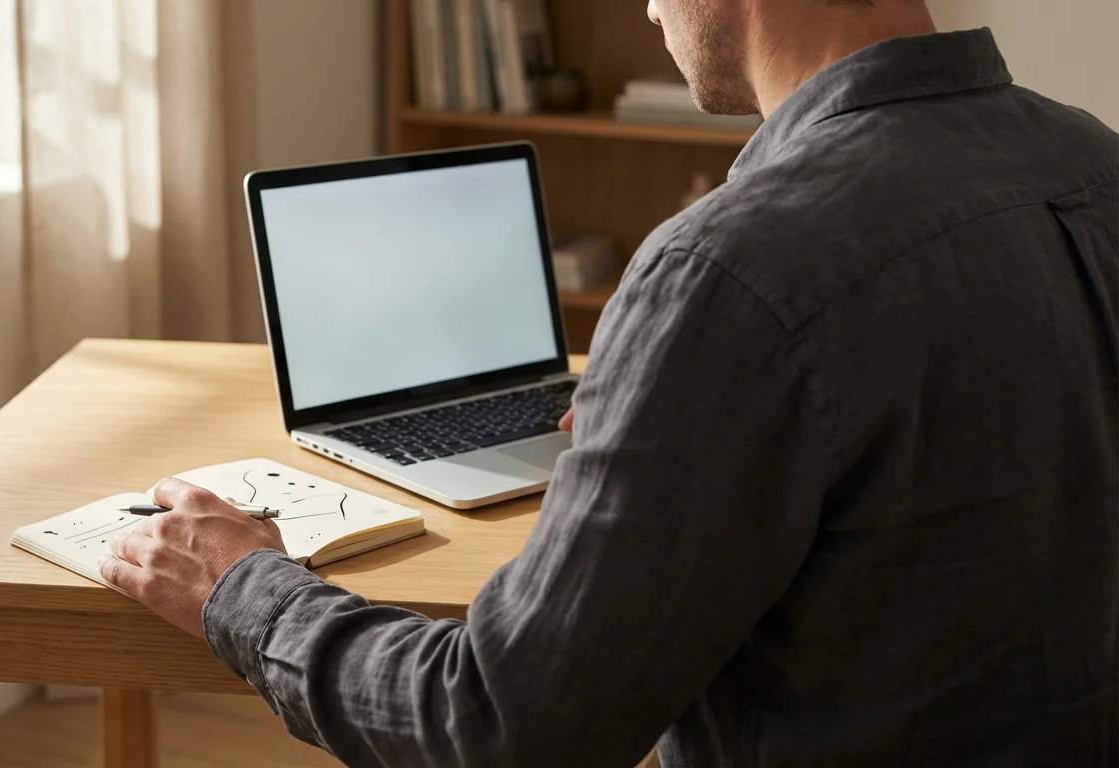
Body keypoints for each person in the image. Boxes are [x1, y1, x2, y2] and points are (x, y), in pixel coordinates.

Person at [99, 0, 1119, 764]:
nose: (645, 7)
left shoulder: (729, 270)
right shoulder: (1092, 162)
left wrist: (241, 588)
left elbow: (497, 726)